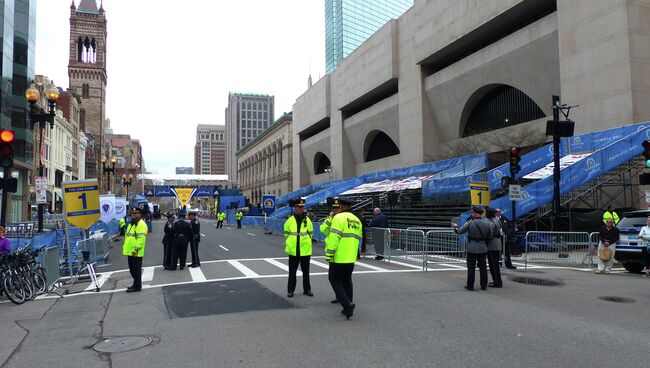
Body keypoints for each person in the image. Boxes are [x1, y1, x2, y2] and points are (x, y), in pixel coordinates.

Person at [326, 197, 363, 319]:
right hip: (351, 256)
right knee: (347, 281)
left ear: (341, 206)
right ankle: (348, 304)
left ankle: (347, 305)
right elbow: (359, 239)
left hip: (339, 256)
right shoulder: (356, 220)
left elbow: (334, 238)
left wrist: (329, 254)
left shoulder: (338, 218)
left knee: (334, 279)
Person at [452, 207, 491, 291]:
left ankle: (470, 285)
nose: (472, 214)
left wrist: (455, 228)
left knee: (471, 267)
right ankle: (483, 285)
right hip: (482, 247)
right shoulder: (487, 223)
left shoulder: (470, 223)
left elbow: (460, 231)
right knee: (483, 267)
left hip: (472, 247)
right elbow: (490, 235)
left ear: (476, 214)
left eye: (473, 213)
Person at [283, 198, 314, 298]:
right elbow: (286, 234)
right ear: (295, 208)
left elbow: (311, 233)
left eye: (302, 207)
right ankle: (290, 290)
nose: (301, 209)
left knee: (306, 272)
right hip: (293, 250)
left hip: (305, 250)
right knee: (292, 272)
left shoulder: (307, 220)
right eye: (299, 207)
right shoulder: (289, 221)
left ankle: (307, 289)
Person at [122, 207, 148, 293]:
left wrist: (135, 249)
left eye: (136, 213)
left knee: (136, 270)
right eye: (133, 213)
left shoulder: (141, 224)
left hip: (136, 252)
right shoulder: (132, 223)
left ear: (140, 214)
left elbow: (141, 240)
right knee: (132, 269)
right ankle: (135, 284)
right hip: (130, 251)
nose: (134, 214)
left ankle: (137, 286)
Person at [321, 197, 341, 304]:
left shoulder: (343, 219)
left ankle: (342, 297)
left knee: (339, 277)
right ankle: (339, 296)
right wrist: (330, 219)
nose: (336, 210)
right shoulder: (330, 219)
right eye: (334, 208)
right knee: (333, 277)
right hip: (332, 252)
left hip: (341, 251)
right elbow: (323, 230)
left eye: (338, 208)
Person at [485, 208, 503, 288]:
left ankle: (497, 282)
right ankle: (497, 281)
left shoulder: (492, 221)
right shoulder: (497, 219)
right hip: (497, 243)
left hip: (492, 244)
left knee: (493, 265)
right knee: (495, 264)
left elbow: (490, 232)